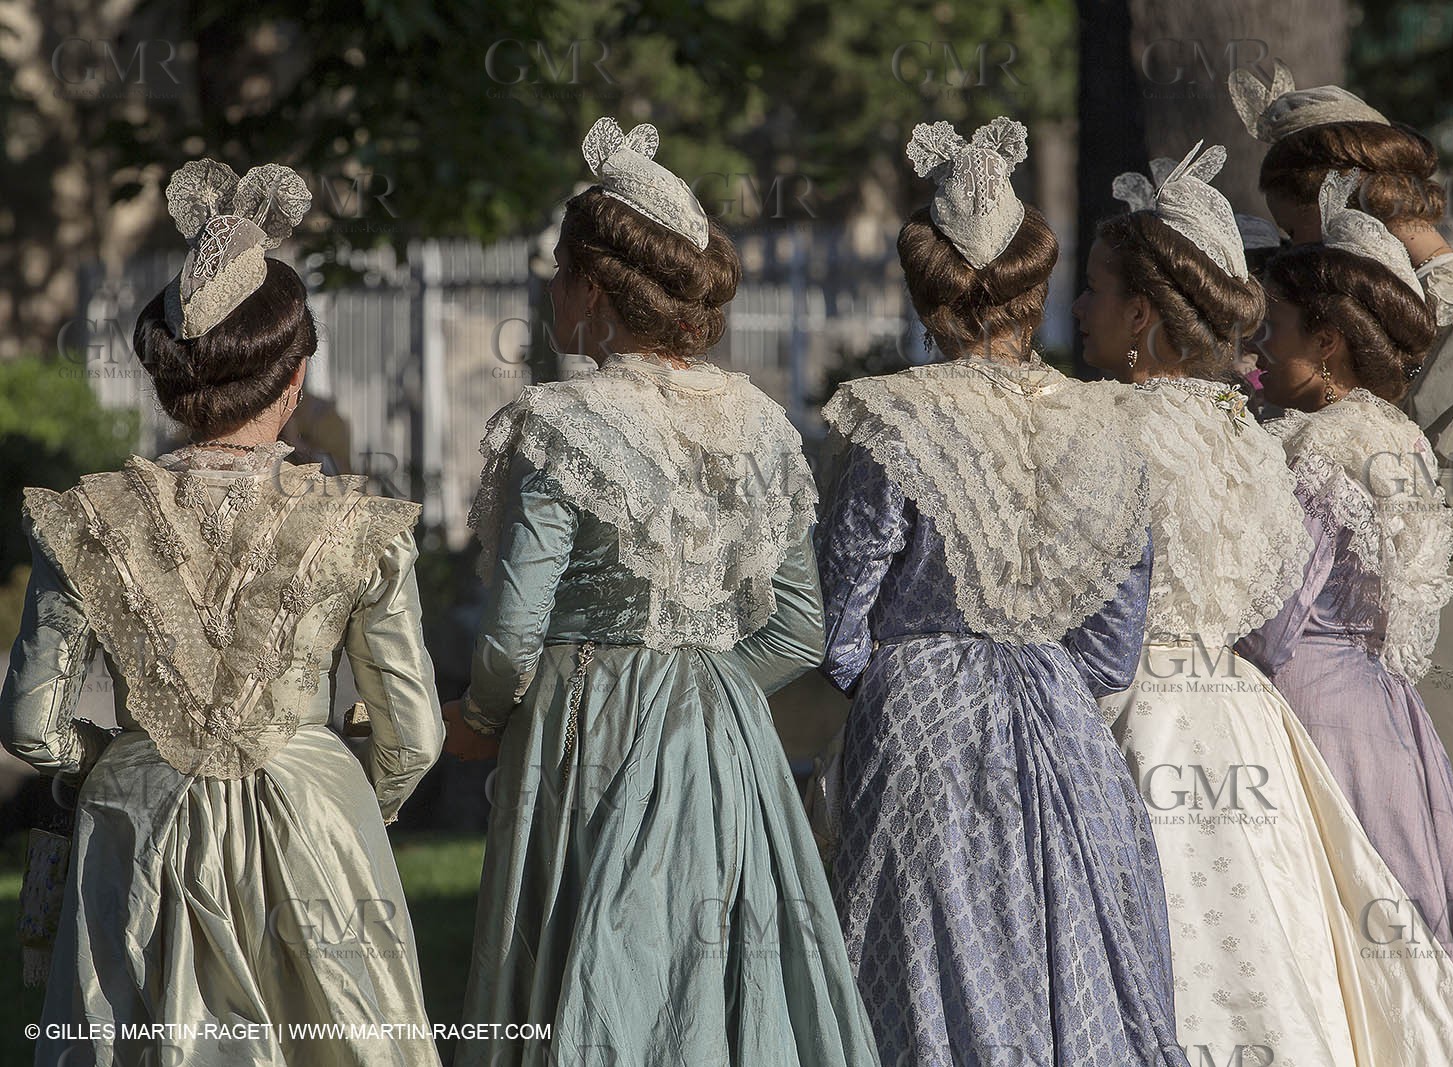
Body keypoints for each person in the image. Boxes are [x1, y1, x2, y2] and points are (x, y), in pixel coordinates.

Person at [446, 118, 878, 1067]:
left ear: (594, 291)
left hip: (589, 727)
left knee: (588, 967)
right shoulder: (761, 426)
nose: (551, 287)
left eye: (560, 270)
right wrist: (702, 689)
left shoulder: (561, 423)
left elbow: (514, 635)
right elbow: (799, 630)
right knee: (712, 970)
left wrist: (480, 715)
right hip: (726, 738)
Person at [1081, 144, 1453, 1067]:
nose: (1264, 347)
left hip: (1304, 694)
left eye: (1279, 328)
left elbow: (1278, 618)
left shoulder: (1306, 448)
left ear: (1326, 342)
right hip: (1384, 705)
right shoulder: (1381, 433)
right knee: (1357, 916)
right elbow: (1405, 604)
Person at [0, 160, 443, 1067]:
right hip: (315, 824)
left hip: (140, 821)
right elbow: (414, 735)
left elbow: (30, 724)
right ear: (296, 375)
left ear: (166, 379)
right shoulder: (358, 525)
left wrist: (111, 759)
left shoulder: (87, 518)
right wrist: (349, 789)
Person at [1232, 62, 1453, 1064]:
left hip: (1438, 595)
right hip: (1433, 576)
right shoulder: (1448, 289)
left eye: (1307, 233)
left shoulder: (1451, 302)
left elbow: (1430, 474)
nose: (1311, 260)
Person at [815, 117, 1184, 1067]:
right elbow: (1112, 641)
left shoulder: (892, 419)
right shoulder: (1103, 426)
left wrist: (900, 672)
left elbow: (844, 616)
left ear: (926, 291)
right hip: (1061, 720)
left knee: (927, 963)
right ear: (1037, 284)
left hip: (920, 724)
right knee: (1070, 956)